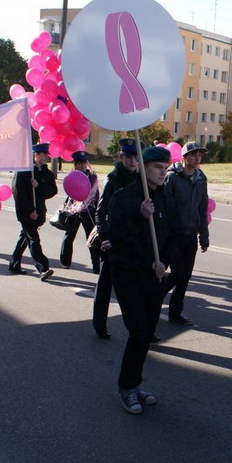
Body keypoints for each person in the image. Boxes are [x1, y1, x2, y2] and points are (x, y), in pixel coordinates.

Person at [107, 146, 173, 414]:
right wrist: (140, 216)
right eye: (158, 167)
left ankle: (135, 384)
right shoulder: (123, 198)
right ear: (144, 167)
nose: (163, 172)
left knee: (146, 336)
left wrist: (163, 263)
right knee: (139, 332)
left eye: (166, 168)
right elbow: (118, 239)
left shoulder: (164, 198)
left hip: (152, 278)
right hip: (127, 274)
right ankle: (126, 388)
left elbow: (169, 236)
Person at [92, 138, 140, 339]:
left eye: (135, 157)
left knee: (138, 289)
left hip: (135, 240)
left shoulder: (141, 179)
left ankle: (142, 329)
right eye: (128, 156)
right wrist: (104, 238)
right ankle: (100, 325)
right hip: (114, 240)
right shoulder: (113, 179)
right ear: (121, 157)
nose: (132, 160)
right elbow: (100, 212)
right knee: (105, 287)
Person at [162, 141, 209, 326]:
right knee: (177, 273)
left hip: (190, 235)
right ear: (184, 157)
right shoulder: (172, 177)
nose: (197, 158)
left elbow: (202, 209)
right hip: (173, 235)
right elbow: (165, 207)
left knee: (185, 277)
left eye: (199, 155)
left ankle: (175, 313)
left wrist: (203, 237)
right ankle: (155, 297)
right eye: (193, 154)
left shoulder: (201, 179)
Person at [9, 142, 57, 280]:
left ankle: (14, 263)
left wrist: (39, 186)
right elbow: (19, 193)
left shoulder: (46, 173)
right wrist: (30, 210)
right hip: (26, 212)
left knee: (25, 238)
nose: (46, 157)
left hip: (39, 212)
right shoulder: (24, 171)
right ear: (36, 155)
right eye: (44, 154)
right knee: (33, 239)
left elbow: (52, 191)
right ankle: (43, 268)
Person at [59, 151, 100, 271]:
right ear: (75, 164)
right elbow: (69, 193)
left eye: (84, 163)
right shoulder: (71, 176)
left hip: (89, 211)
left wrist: (96, 210)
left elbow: (96, 195)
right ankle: (65, 261)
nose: (82, 166)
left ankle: (96, 265)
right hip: (74, 211)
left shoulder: (92, 177)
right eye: (79, 163)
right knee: (69, 236)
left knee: (92, 238)